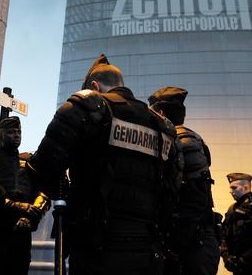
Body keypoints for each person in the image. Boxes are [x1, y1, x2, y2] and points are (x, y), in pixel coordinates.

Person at [29, 54, 178, 275]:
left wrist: (64, 189)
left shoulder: (85, 107)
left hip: (96, 248)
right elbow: (171, 192)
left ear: (94, 86)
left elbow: (41, 169)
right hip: (147, 250)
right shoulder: (162, 126)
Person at [148, 86, 219, 275]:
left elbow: (195, 197)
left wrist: (175, 244)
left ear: (161, 113)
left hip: (192, 245)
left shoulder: (183, 140)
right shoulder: (179, 138)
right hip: (191, 242)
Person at [0, 116, 50, 275]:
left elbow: (44, 192)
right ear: (1, 134)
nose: (16, 135)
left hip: (20, 234)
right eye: (11, 132)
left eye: (18, 132)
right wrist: (11, 204)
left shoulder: (28, 162)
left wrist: (31, 216)